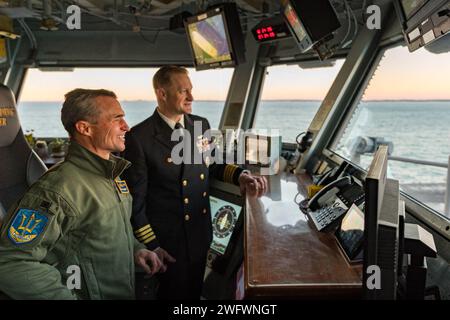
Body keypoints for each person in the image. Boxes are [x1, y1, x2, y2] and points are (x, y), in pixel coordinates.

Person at [0, 88, 163, 299]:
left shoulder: (111, 175)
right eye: (117, 119)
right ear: (85, 128)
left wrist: (136, 249)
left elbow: (107, 230)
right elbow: (10, 262)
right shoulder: (56, 191)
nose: (126, 127)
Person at [122, 66, 267, 299]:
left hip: (199, 233)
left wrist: (241, 175)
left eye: (191, 90)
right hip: (167, 244)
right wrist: (151, 245)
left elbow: (213, 164)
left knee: (194, 294)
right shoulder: (139, 138)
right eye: (183, 91)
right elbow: (135, 203)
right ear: (162, 93)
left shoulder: (200, 124)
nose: (191, 97)